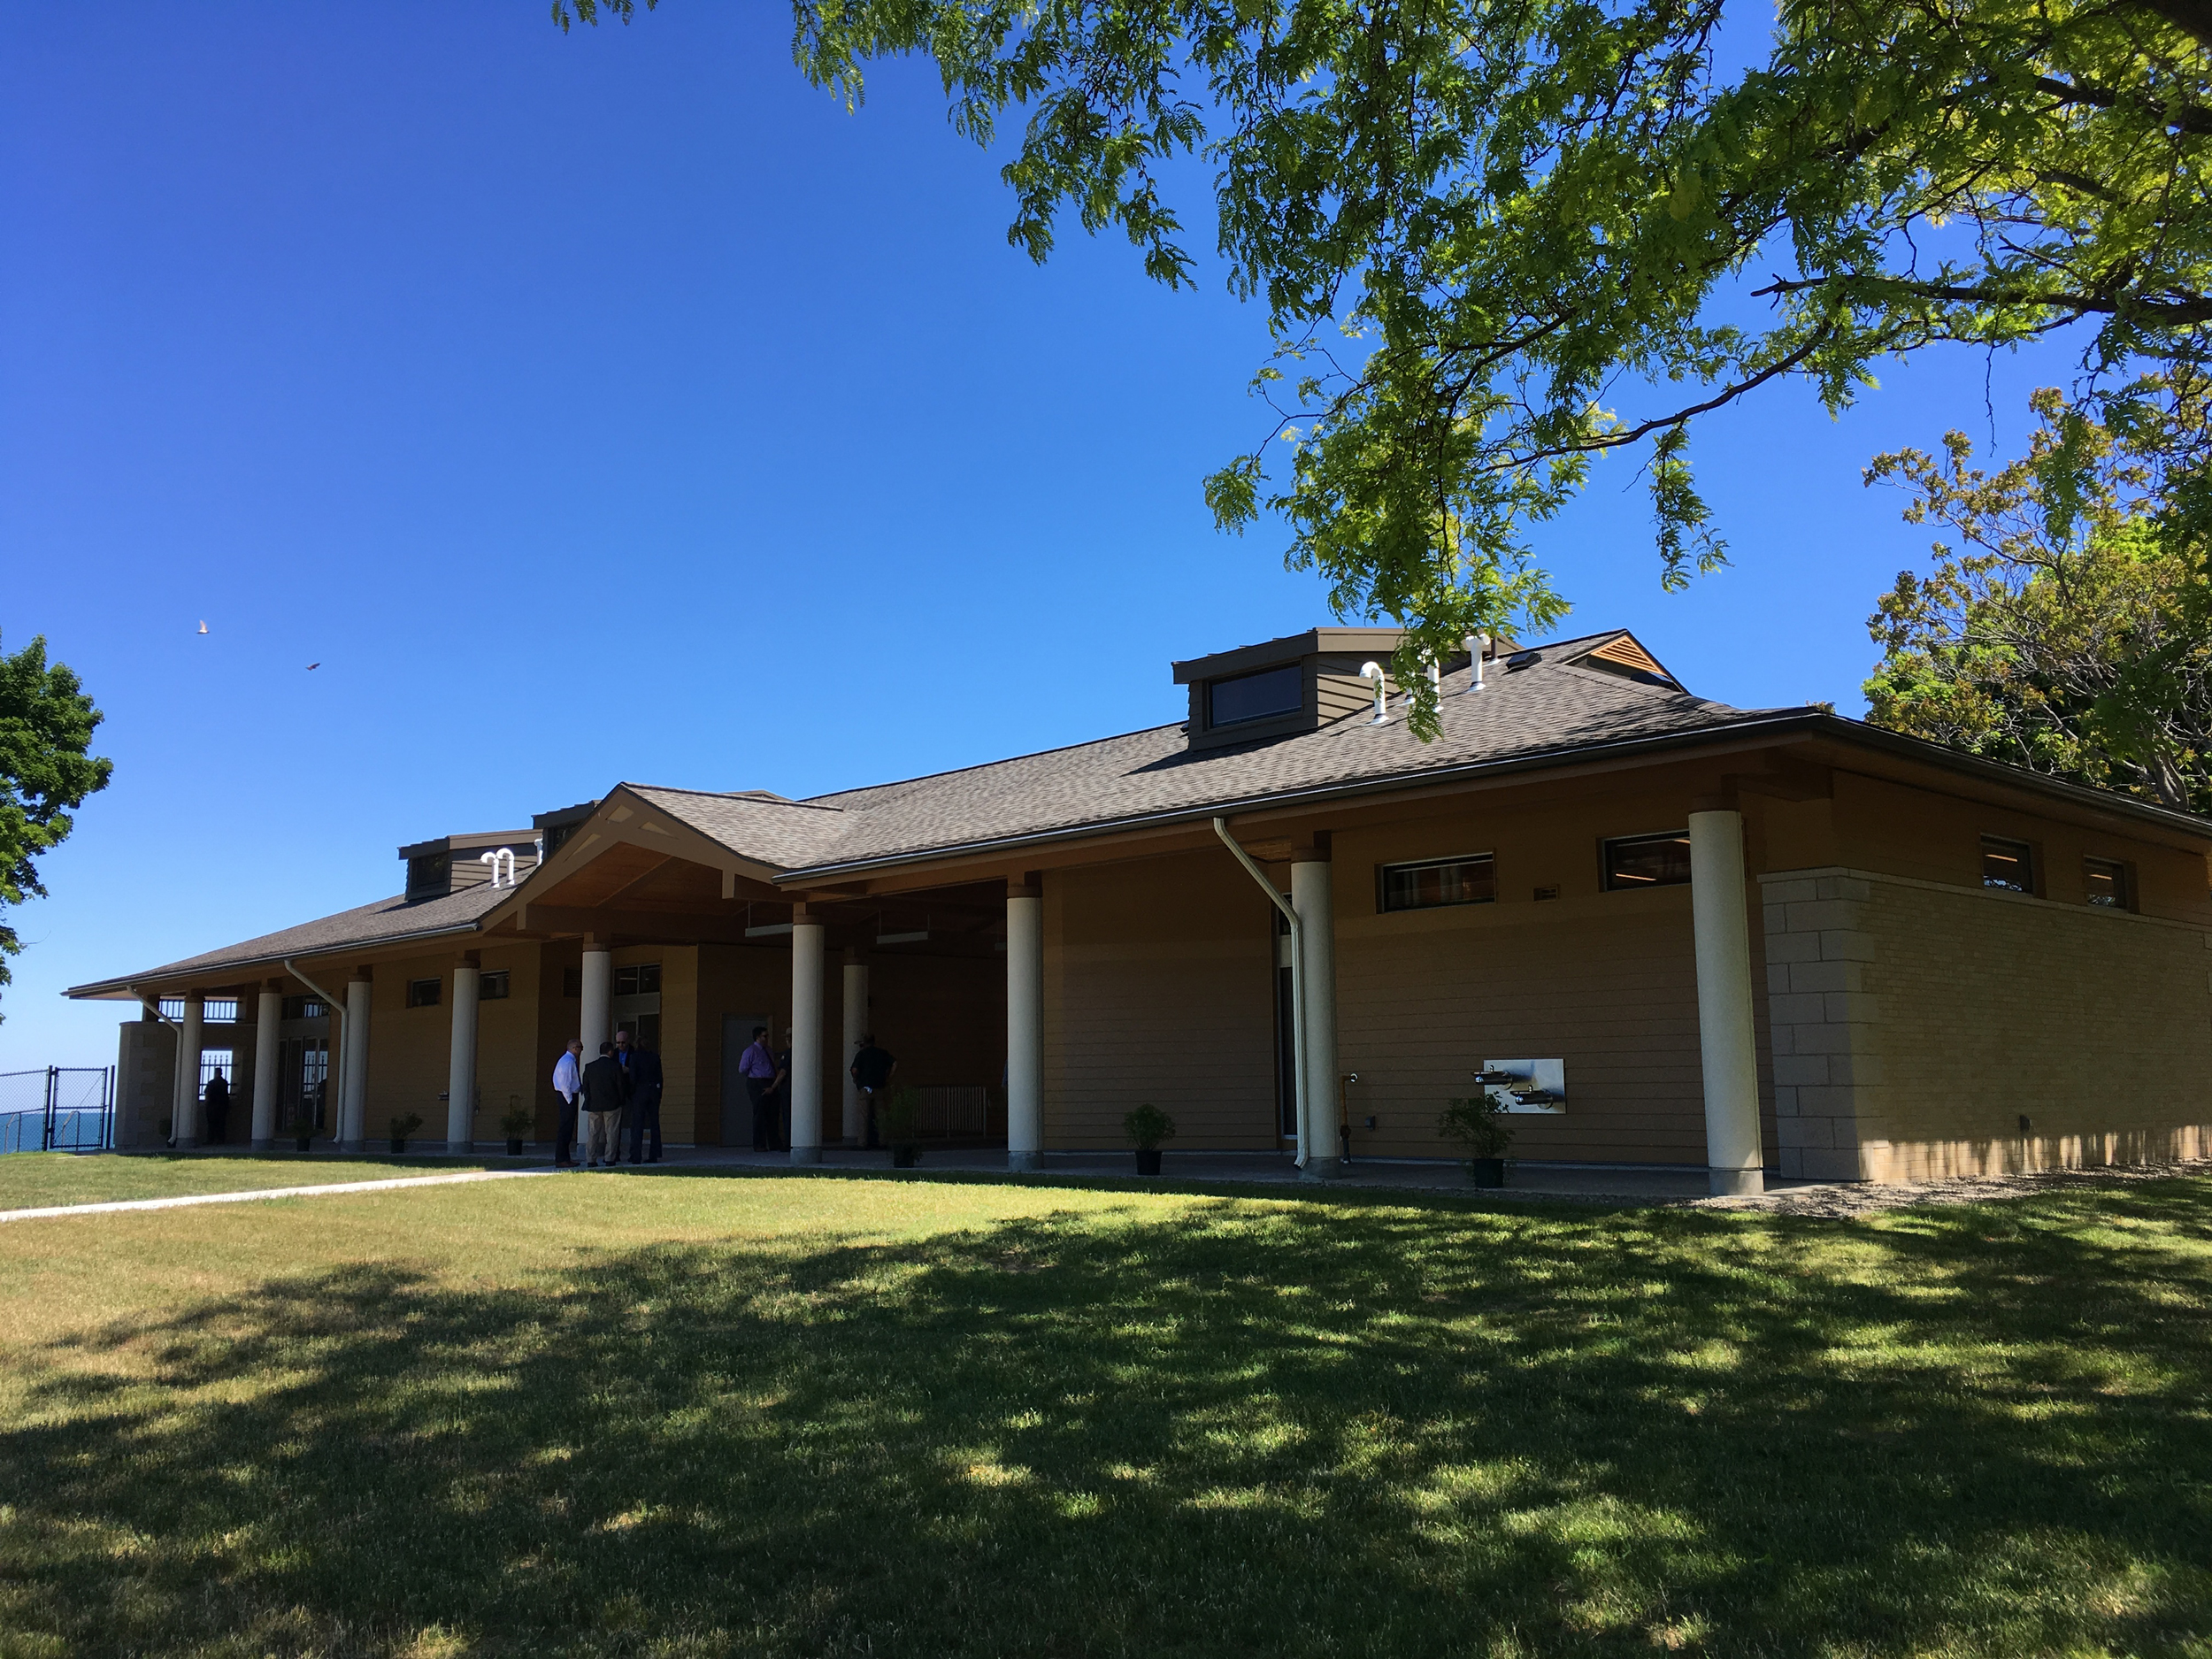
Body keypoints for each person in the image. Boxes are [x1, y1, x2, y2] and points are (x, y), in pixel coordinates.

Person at [616, 1026, 664, 1164]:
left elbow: (633, 1078)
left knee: (637, 1125)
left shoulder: (635, 1057)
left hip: (639, 1092)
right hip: (653, 1091)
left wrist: (632, 1092)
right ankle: (654, 1155)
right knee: (654, 1124)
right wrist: (658, 1093)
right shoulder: (655, 1057)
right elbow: (660, 1077)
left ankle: (636, 1155)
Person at [580, 1040, 629, 1169]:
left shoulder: (590, 1067)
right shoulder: (615, 1066)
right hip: (612, 1104)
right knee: (611, 1132)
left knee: (593, 1132)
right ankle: (609, 1158)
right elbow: (620, 1086)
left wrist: (589, 1099)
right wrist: (621, 1100)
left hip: (594, 1105)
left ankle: (590, 1159)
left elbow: (586, 1086)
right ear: (611, 1052)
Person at [849, 1034, 898, 1151]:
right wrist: (888, 1078)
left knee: (863, 1116)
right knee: (881, 1116)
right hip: (880, 1087)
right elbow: (895, 1063)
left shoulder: (861, 1055)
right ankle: (882, 1141)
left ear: (864, 1043)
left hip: (865, 1088)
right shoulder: (882, 1053)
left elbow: (854, 1070)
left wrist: (856, 1079)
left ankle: (862, 1143)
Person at [739, 1026, 782, 1152]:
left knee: (773, 1113)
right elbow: (742, 1069)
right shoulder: (750, 1051)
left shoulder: (768, 1050)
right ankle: (759, 1144)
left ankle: (774, 1142)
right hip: (757, 1082)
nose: (767, 1039)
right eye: (765, 1036)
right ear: (758, 1037)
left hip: (770, 1080)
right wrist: (755, 1076)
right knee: (760, 1114)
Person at [551, 1039, 584, 1168]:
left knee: (568, 1129)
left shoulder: (566, 1061)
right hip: (567, 1097)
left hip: (567, 1096)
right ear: (575, 1048)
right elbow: (565, 1083)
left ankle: (566, 1157)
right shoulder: (567, 1062)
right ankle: (561, 1158)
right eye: (581, 1048)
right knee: (565, 1129)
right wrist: (569, 1100)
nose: (581, 1051)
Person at [201, 1067, 231, 1146]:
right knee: (221, 1123)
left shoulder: (211, 1083)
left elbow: (207, 1094)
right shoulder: (224, 1083)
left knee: (211, 1124)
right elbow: (226, 1095)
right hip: (222, 1106)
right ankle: (220, 1140)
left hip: (212, 1106)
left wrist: (206, 1103)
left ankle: (211, 1140)